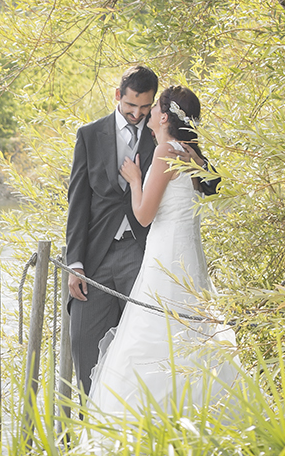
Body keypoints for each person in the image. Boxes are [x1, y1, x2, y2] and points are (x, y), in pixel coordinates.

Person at [88, 85, 238, 422]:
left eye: (155, 107)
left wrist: (135, 179)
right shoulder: (190, 152)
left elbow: (143, 215)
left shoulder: (165, 152)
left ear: (165, 116)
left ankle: (148, 422)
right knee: (190, 333)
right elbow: (212, 184)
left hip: (166, 255)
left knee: (155, 329)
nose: (150, 112)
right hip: (189, 257)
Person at [64, 63, 159, 396]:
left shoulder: (158, 134)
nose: (137, 113)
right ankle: (95, 423)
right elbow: (78, 202)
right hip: (96, 256)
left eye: (145, 107)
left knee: (145, 340)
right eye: (131, 105)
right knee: (83, 340)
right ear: (118, 95)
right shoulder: (89, 135)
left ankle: (138, 419)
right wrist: (74, 262)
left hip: (141, 250)